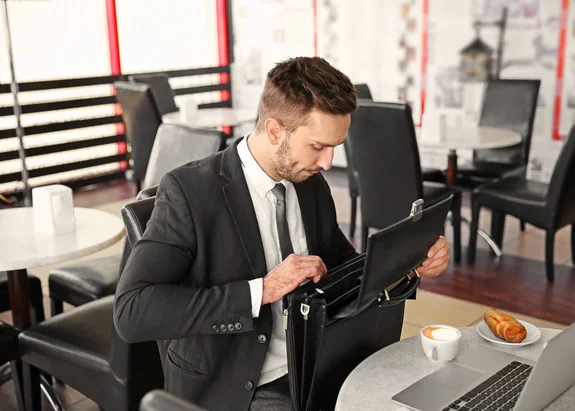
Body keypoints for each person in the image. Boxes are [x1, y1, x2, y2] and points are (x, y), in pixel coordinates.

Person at [114, 57, 450, 411]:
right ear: (275, 131)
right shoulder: (190, 192)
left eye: (335, 147)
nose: (326, 163)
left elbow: (345, 271)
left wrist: (409, 263)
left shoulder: (310, 186)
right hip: (242, 384)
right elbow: (132, 312)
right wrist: (262, 290)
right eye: (318, 147)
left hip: (318, 363)